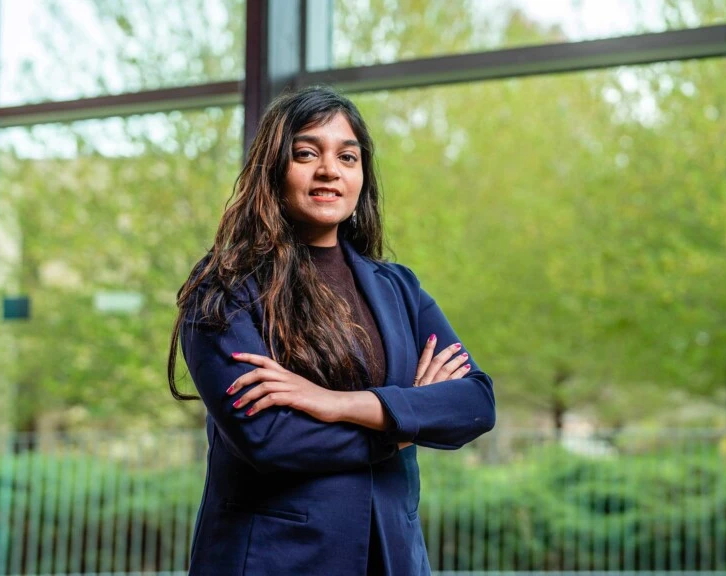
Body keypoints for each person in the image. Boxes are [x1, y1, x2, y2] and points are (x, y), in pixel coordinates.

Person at [166, 86, 496, 575]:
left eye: (347, 156)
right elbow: (270, 439)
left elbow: (475, 404)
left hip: (394, 557)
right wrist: (404, 424)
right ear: (273, 170)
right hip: (277, 561)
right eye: (306, 153)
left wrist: (337, 403)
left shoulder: (398, 288)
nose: (329, 170)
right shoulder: (225, 289)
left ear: (361, 176)